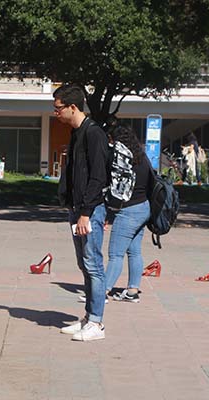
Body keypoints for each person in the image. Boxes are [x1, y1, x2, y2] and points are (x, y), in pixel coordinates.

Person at [54, 85, 109, 341]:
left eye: (58, 108)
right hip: (77, 210)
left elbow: (99, 176)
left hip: (90, 210)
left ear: (72, 107)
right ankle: (88, 317)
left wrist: (86, 212)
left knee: (94, 265)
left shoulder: (94, 134)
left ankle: (97, 323)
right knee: (84, 265)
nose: (56, 113)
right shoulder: (77, 133)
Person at [103, 124, 152, 303]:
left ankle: (103, 291)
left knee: (116, 254)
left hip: (128, 211)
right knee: (134, 251)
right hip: (144, 207)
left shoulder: (121, 159)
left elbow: (117, 190)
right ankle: (132, 290)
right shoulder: (142, 156)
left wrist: (109, 214)